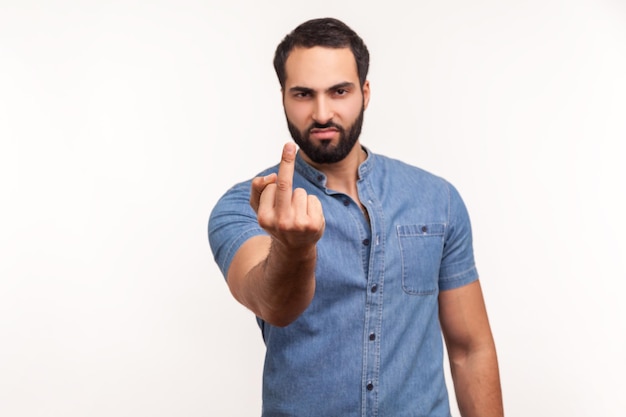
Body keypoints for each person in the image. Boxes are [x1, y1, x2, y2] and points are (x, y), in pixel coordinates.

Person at [208, 17, 503, 417]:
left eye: (339, 91)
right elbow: (271, 304)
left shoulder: (438, 199)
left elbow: (470, 349)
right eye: (303, 94)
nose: (322, 112)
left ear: (365, 93)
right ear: (283, 97)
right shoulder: (248, 205)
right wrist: (293, 251)